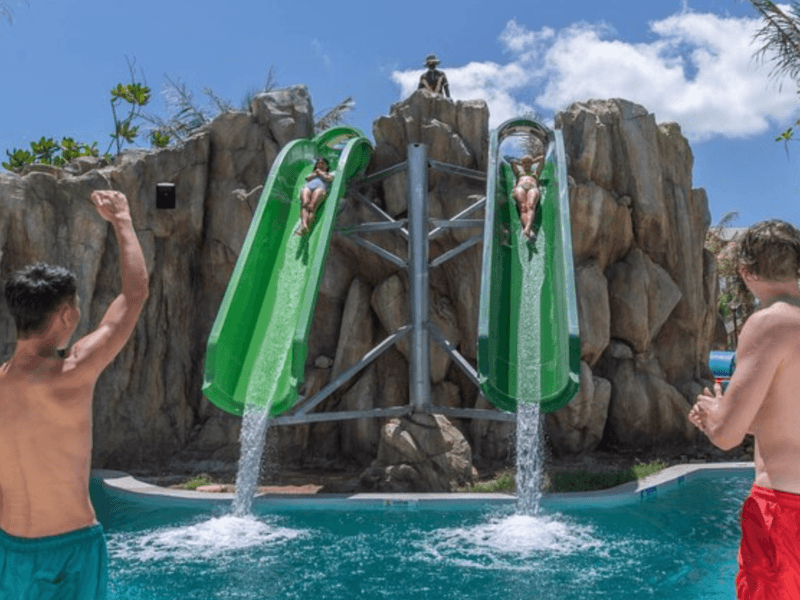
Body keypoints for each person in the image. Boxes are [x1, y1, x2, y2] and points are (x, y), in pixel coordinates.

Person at [0, 190, 148, 599]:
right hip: (71, 548)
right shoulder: (73, 373)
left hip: (9, 547)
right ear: (66, 315)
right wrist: (122, 220)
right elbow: (133, 296)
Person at [688, 219, 800, 599]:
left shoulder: (769, 323)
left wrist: (712, 413)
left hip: (784, 511)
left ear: (746, 272)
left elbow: (726, 435)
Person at [296, 157, 335, 236]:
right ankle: (303, 225)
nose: (320, 165)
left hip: (320, 187)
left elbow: (329, 178)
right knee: (305, 203)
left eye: (322, 163)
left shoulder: (331, 173)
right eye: (318, 163)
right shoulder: (313, 173)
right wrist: (315, 173)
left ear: (327, 166)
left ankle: (307, 226)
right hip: (309, 187)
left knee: (312, 206)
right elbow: (307, 178)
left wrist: (320, 173)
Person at [510, 153, 544, 241]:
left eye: (529, 162)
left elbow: (542, 158)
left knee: (531, 205)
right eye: (524, 162)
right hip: (520, 187)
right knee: (523, 207)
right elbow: (513, 162)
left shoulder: (535, 173)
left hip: (532, 187)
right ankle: (529, 230)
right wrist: (521, 163)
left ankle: (527, 228)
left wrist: (532, 161)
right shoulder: (519, 173)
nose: (526, 164)